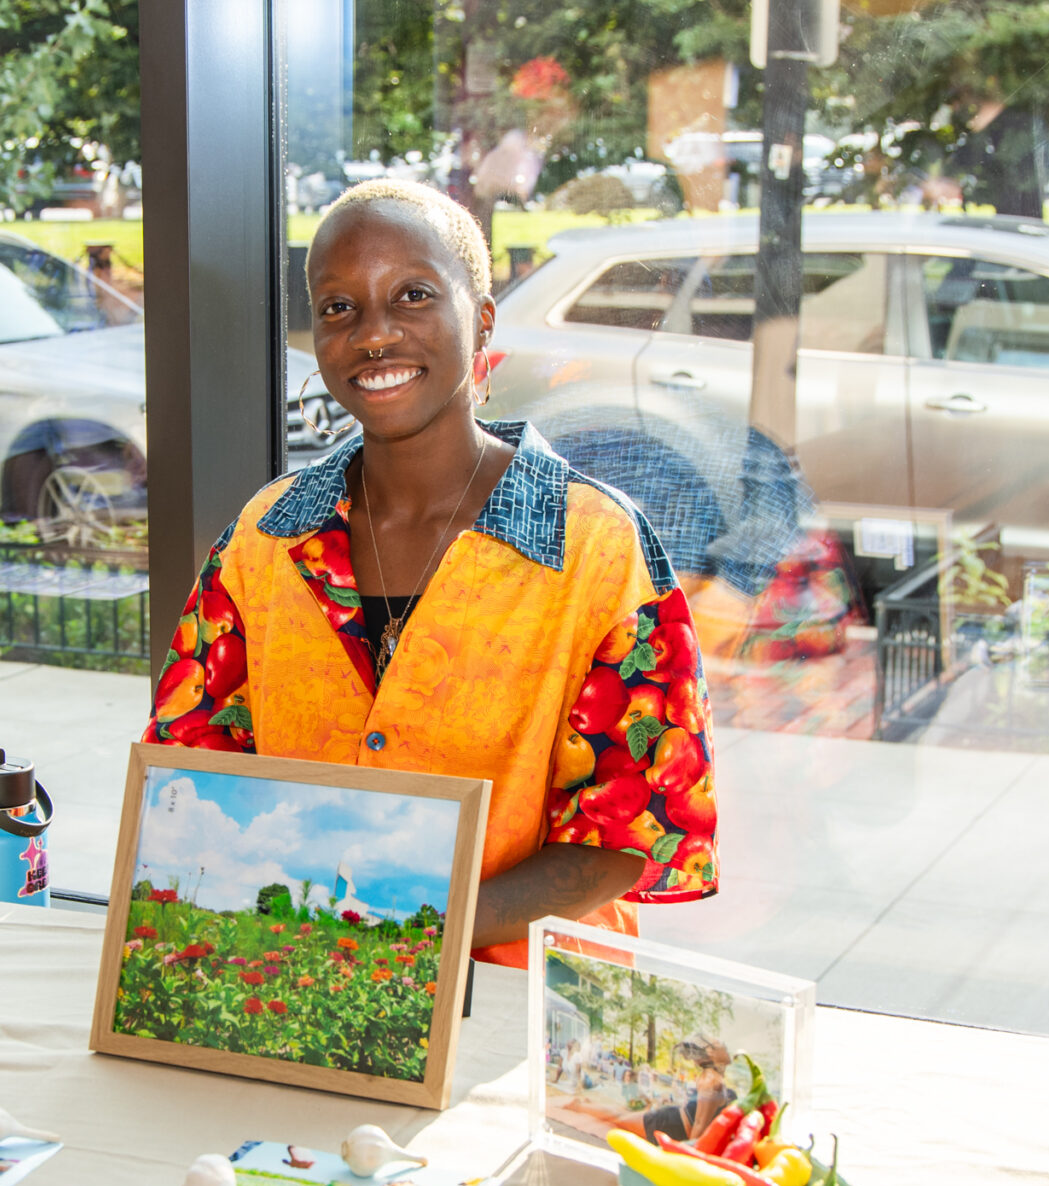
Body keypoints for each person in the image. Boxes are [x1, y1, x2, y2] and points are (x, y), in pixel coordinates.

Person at [140, 179, 718, 966]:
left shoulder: (598, 548)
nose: (373, 335)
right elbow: (192, 778)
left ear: (481, 318)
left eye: (412, 295)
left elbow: (628, 836)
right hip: (294, 990)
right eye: (338, 308)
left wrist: (391, 939)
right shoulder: (263, 539)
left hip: (516, 1012)